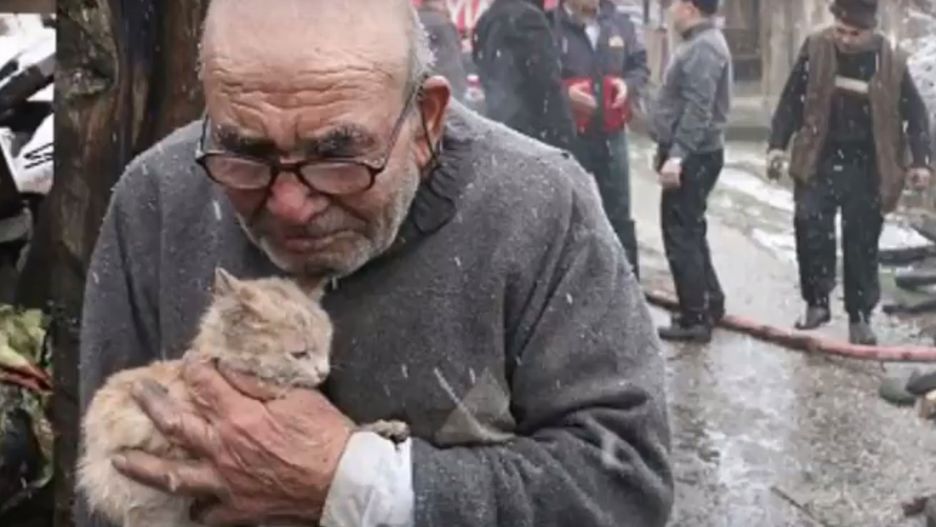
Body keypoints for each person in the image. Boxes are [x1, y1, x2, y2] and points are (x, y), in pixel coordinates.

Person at [75, 1, 673, 526]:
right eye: (245, 153)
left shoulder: (541, 207)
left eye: (339, 157)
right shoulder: (156, 196)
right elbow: (102, 486)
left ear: (426, 122)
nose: (290, 205)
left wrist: (360, 486)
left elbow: (624, 486)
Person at [767, 0, 933, 345]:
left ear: (870, 30)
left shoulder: (890, 60)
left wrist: (920, 162)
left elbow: (916, 116)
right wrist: (777, 145)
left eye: (853, 34)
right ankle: (816, 302)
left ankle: (860, 317)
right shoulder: (816, 47)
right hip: (819, 158)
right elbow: (792, 99)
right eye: (840, 30)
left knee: (861, 243)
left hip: (869, 165)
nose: (844, 39)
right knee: (809, 226)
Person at [649, 0, 732, 344]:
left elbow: (699, 107)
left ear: (690, 8)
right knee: (691, 228)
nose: (669, 10)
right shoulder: (700, 43)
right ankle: (709, 302)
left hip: (695, 154)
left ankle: (695, 317)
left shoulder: (703, 48)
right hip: (693, 151)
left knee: (680, 232)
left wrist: (678, 155)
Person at [550, 0, 649, 278]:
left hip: (612, 133)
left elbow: (640, 66)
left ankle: (629, 289)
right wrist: (565, 95)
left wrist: (628, 85)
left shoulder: (620, 24)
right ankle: (573, 290)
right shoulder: (549, 26)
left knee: (619, 215)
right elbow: (537, 78)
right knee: (567, 215)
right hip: (569, 136)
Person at [472, 0, 576, 149]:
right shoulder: (529, 18)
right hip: (531, 136)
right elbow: (547, 87)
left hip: (501, 131)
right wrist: (566, 138)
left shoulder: (488, 17)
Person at [417, 0, 468, 102]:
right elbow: (453, 63)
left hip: (419, 90)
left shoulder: (413, 22)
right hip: (444, 92)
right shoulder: (444, 25)